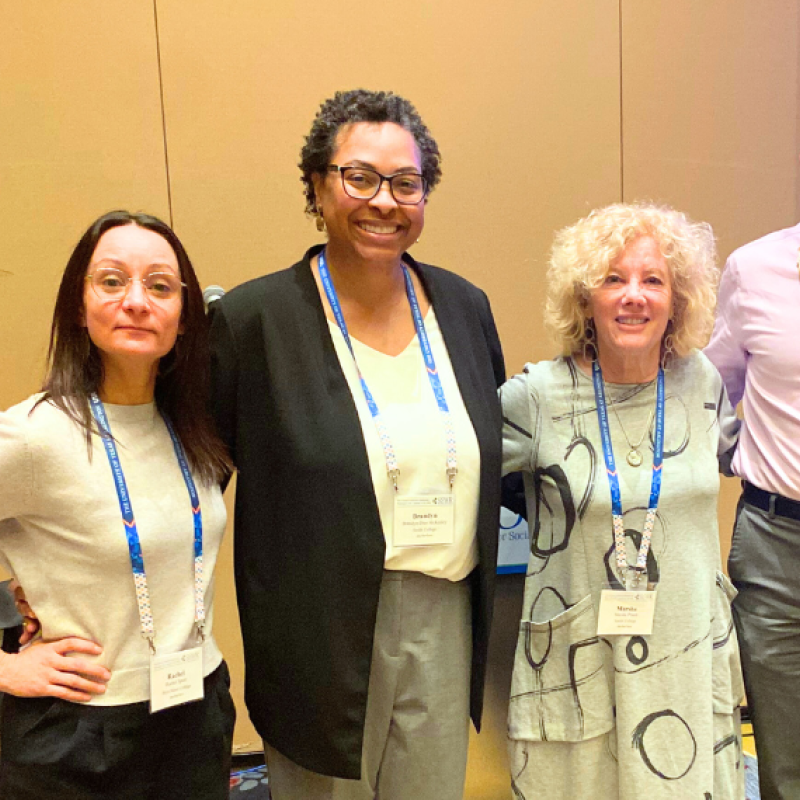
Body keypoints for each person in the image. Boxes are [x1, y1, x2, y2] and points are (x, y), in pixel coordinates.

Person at [209, 89, 506, 799]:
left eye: (406, 183)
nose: (385, 201)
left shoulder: (463, 307)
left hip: (445, 612)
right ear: (318, 184)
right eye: (360, 177)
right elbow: (189, 486)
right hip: (319, 626)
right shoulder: (256, 322)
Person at [500, 203, 745, 799]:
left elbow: (747, 456)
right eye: (614, 279)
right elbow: (463, 471)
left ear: (677, 300)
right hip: (580, 655)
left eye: (652, 280)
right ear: (585, 298)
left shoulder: (702, 384)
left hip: (684, 653)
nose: (633, 296)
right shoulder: (538, 395)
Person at [0, 211, 235, 799]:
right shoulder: (37, 435)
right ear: (78, 305)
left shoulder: (195, 428)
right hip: (80, 733)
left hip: (196, 712)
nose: (136, 301)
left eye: (159, 285)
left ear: (184, 318)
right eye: (111, 281)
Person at [705, 217, 800, 800]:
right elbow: (713, 385)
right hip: (775, 544)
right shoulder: (755, 268)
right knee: (785, 761)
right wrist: (746, 456)